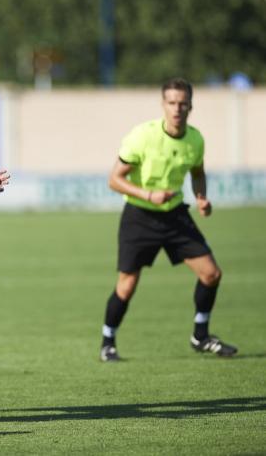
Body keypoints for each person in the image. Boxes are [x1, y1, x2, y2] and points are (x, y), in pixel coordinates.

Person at [99, 77, 237, 362]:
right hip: (139, 215)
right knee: (126, 285)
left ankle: (200, 335)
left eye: (182, 103)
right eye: (172, 103)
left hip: (175, 215)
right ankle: (107, 342)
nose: (177, 109)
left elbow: (197, 172)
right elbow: (114, 180)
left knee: (212, 274)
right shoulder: (142, 136)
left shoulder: (195, 139)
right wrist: (149, 196)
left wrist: (201, 197)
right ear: (163, 104)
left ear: (191, 106)